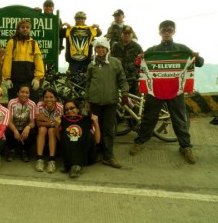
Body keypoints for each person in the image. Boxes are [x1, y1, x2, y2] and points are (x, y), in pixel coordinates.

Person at [129, 20, 204, 164]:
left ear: (174, 32)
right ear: (160, 33)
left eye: (169, 30)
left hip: (176, 91)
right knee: (149, 118)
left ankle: (185, 147)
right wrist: (139, 59)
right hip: (155, 91)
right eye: (164, 30)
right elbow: (137, 64)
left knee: (179, 119)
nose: (167, 33)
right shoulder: (152, 50)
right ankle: (140, 142)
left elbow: (199, 63)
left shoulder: (182, 49)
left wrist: (197, 56)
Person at [84, 36, 129, 169]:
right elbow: (88, 83)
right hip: (95, 102)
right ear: (95, 49)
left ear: (107, 49)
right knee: (95, 128)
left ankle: (108, 156)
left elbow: (122, 79)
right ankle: (97, 152)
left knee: (108, 129)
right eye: (98, 47)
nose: (100, 49)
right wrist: (87, 100)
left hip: (111, 102)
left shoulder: (115, 62)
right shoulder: (91, 65)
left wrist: (125, 93)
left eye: (103, 47)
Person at [55, 99, 100, 178]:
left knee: (86, 134)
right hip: (71, 154)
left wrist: (96, 124)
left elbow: (97, 140)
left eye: (72, 108)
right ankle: (72, 165)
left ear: (78, 109)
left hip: (87, 156)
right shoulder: (63, 121)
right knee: (69, 137)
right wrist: (56, 126)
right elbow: (61, 140)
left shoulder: (86, 120)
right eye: (67, 110)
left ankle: (74, 164)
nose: (69, 111)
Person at [2, 19, 45, 102]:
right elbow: (7, 60)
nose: (25, 29)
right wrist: (7, 78)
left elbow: (38, 60)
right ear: (18, 29)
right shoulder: (12, 42)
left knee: (33, 103)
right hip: (14, 81)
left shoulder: (33, 43)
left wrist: (37, 78)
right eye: (22, 27)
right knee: (13, 104)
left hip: (30, 80)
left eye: (27, 27)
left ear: (30, 29)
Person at [6, 84, 37, 162]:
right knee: (7, 130)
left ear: (29, 94)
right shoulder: (12, 102)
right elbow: (9, 121)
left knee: (33, 132)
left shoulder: (32, 104)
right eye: (22, 92)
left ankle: (25, 151)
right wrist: (15, 130)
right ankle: (11, 150)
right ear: (18, 93)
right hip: (14, 127)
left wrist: (28, 127)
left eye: (27, 92)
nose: (24, 94)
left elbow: (32, 123)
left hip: (24, 129)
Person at [35, 88, 64, 173]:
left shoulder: (60, 107)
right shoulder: (40, 105)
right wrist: (52, 122)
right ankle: (39, 159)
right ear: (43, 98)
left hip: (54, 129)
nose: (48, 99)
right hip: (42, 127)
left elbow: (58, 124)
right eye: (46, 97)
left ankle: (52, 160)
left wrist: (45, 119)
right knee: (42, 129)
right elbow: (38, 123)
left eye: (51, 97)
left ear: (55, 98)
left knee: (51, 130)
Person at [111, 25, 143, 95]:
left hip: (133, 80)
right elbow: (111, 62)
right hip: (118, 80)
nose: (127, 35)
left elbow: (142, 63)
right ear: (121, 34)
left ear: (132, 35)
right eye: (125, 33)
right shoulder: (115, 46)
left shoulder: (137, 47)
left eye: (129, 33)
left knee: (134, 102)